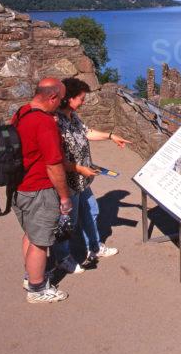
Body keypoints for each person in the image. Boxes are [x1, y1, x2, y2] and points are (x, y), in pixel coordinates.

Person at [54, 77, 131, 271]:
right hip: (69, 182)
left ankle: (94, 247)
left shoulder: (73, 116)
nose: (83, 101)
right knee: (68, 222)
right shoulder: (55, 122)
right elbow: (56, 161)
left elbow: (87, 133)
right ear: (68, 98)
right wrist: (79, 168)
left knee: (91, 212)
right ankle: (63, 258)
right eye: (80, 98)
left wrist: (111, 136)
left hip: (82, 180)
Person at [12, 77, 71, 304]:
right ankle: (37, 289)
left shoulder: (22, 112)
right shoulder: (44, 122)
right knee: (41, 242)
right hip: (39, 188)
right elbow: (53, 164)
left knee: (30, 233)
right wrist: (64, 197)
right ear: (52, 97)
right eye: (61, 99)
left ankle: (31, 276)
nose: (61, 103)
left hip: (20, 186)